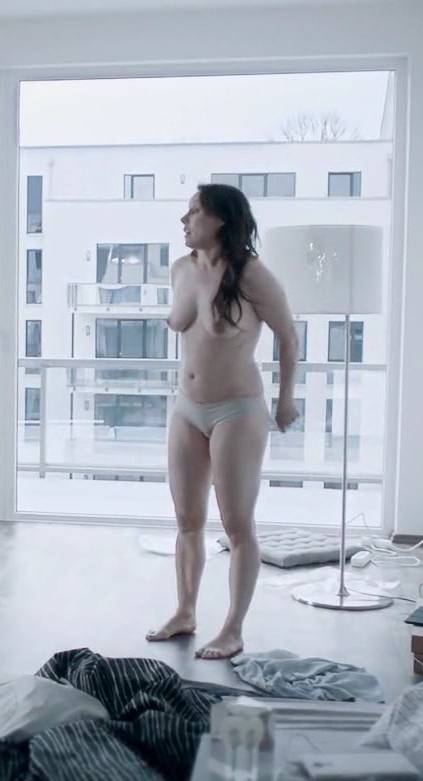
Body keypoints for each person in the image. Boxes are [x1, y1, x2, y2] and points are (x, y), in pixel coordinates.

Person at [146, 184, 300, 661]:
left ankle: (232, 628)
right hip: (187, 408)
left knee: (237, 525)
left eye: (194, 211)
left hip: (237, 409)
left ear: (221, 220)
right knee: (187, 520)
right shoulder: (181, 269)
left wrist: (286, 399)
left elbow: (288, 336)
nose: (184, 219)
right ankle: (184, 612)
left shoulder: (252, 274)